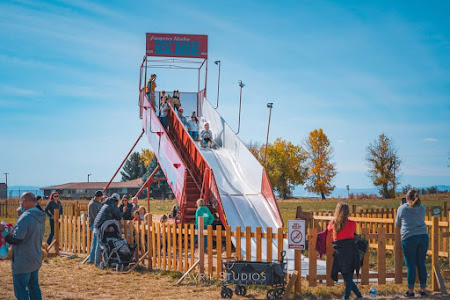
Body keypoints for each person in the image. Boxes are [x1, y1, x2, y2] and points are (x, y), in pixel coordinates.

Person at [5, 192, 46, 300]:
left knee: (21, 290)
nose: (20, 204)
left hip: (23, 260)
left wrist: (6, 236)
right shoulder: (40, 216)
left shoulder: (26, 217)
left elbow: (17, 239)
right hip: (35, 257)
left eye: (21, 202)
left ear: (26, 201)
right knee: (34, 287)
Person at [396, 189, 428, 298]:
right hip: (423, 236)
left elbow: (398, 223)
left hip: (409, 238)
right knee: (421, 263)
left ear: (407, 198)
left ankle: (410, 291)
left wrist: (401, 206)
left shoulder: (402, 208)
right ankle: (423, 289)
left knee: (411, 265)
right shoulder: (422, 208)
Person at [327, 202, 362, 300]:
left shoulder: (333, 223)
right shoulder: (352, 223)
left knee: (347, 277)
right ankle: (358, 296)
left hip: (340, 252)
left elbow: (328, 230)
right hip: (351, 251)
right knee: (348, 277)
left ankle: (348, 297)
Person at [93, 193, 121, 267]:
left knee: (99, 245)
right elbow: (118, 216)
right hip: (101, 227)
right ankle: (105, 263)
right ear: (117, 200)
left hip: (97, 225)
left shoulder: (106, 203)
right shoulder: (113, 205)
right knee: (103, 246)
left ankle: (97, 262)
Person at [88, 190, 103, 265]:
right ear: (99, 197)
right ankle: (95, 261)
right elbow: (95, 217)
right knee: (97, 242)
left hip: (97, 224)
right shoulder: (92, 204)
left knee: (94, 243)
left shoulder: (98, 203)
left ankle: (91, 259)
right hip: (94, 225)